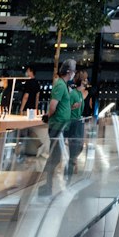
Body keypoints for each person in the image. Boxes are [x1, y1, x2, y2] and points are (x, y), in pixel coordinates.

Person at [44, 58, 77, 186]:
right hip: (57, 125)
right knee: (55, 155)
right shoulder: (60, 85)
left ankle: (48, 182)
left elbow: (61, 104)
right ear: (68, 71)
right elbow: (53, 105)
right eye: (73, 71)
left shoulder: (63, 85)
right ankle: (47, 181)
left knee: (56, 155)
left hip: (62, 125)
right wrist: (48, 115)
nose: (74, 73)